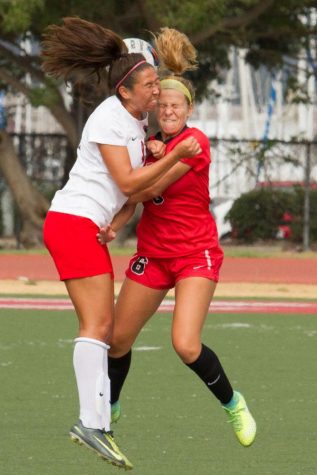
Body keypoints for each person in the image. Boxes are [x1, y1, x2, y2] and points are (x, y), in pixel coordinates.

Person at [41, 18, 201, 470]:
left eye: (156, 81)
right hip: (71, 223)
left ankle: (97, 423)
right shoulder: (111, 117)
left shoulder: (134, 121)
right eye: (150, 84)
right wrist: (177, 157)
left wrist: (118, 218)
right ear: (125, 90)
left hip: (85, 226)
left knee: (103, 327)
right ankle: (92, 423)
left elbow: (134, 194)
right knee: (99, 324)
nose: (157, 90)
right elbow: (130, 180)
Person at [98, 27, 257, 449]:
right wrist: (117, 221)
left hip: (194, 255)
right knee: (116, 341)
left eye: (176, 105)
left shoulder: (195, 143)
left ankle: (233, 403)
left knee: (185, 344)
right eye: (162, 104)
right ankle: (110, 407)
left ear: (189, 108)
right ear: (154, 108)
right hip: (154, 254)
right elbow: (134, 196)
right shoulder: (147, 143)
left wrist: (155, 159)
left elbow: (147, 188)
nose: (168, 110)